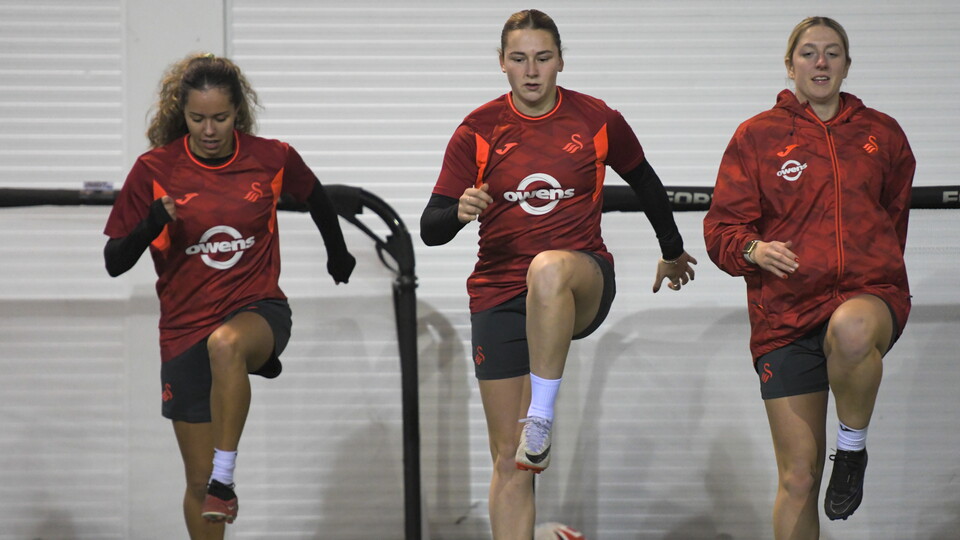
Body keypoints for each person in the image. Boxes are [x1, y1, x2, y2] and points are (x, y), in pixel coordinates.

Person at [420, 10, 696, 539]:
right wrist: (458, 212)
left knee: (546, 269)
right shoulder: (477, 130)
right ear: (501, 63)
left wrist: (672, 249)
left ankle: (541, 415)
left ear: (561, 62)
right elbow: (430, 228)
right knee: (509, 459)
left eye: (543, 58)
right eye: (519, 59)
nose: (531, 71)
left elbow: (645, 181)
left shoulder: (596, 120)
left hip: (579, 278)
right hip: (499, 293)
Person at [102, 53, 356, 539]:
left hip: (256, 309)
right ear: (183, 114)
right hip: (182, 331)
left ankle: (227, 474)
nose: (209, 129)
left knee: (227, 345)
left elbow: (317, 196)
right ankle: (213, 481)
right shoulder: (155, 169)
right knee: (197, 486)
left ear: (237, 111)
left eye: (220, 118)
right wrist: (151, 222)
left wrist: (337, 254)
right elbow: (115, 261)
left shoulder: (271, 157)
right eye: (198, 119)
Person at [703, 16, 914, 540]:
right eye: (809, 53)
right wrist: (754, 248)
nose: (821, 63)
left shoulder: (881, 134)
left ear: (846, 63)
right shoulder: (757, 136)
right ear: (790, 62)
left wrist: (876, 270)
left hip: (868, 296)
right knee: (798, 478)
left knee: (851, 328)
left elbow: (894, 219)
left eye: (832, 53)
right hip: (786, 315)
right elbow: (720, 230)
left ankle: (852, 448)